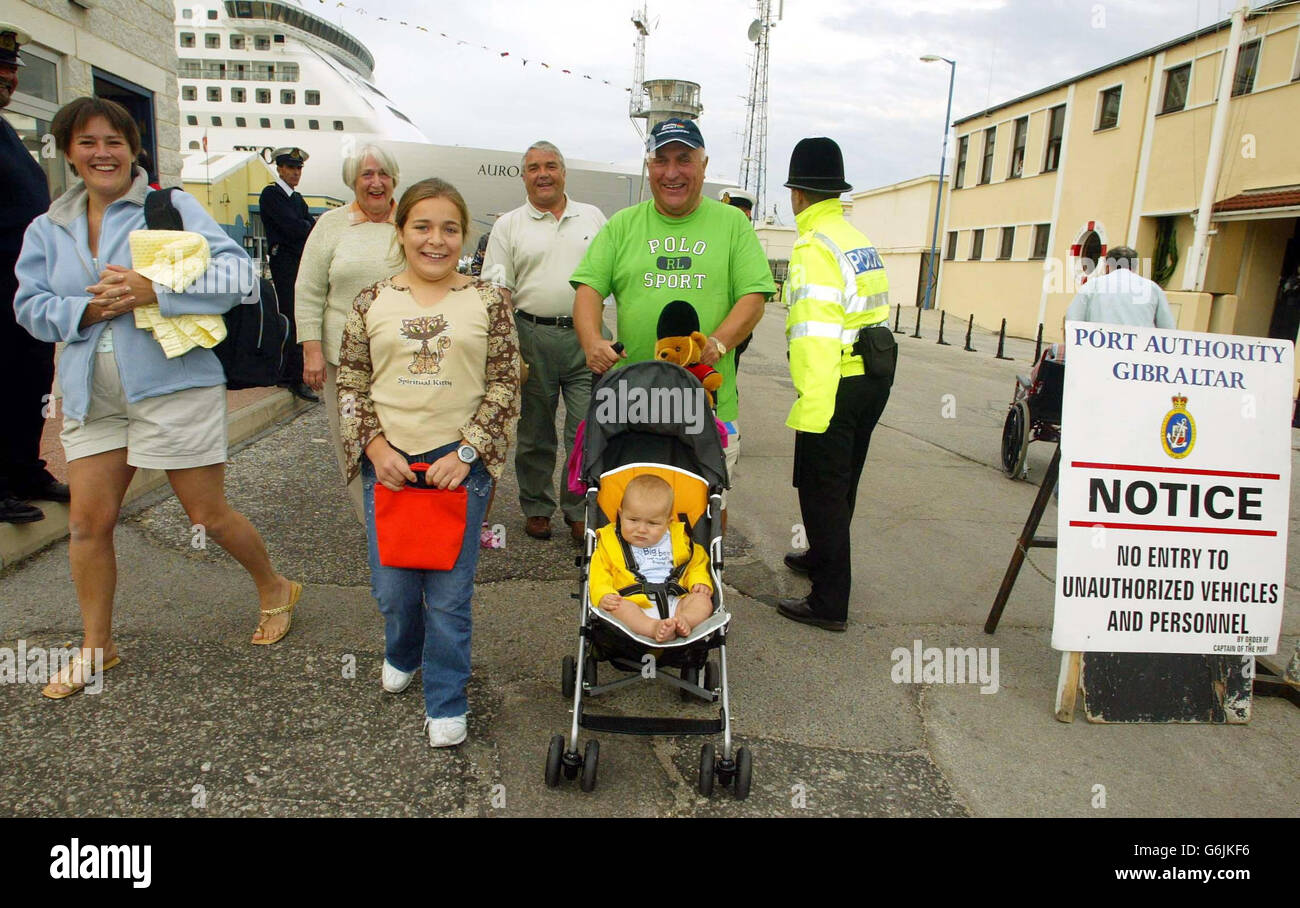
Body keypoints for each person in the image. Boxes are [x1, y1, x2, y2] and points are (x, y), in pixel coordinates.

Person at [14, 97, 303, 697]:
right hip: (93, 395)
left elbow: (238, 277)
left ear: (133, 149)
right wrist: (87, 308)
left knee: (206, 514)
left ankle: (275, 586)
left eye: (114, 141)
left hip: (175, 385)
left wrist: (155, 290)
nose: (103, 153)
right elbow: (29, 307)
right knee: (89, 525)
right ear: (68, 152)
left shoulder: (166, 208)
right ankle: (98, 646)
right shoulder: (47, 228)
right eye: (88, 142)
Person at [336, 177, 520, 748]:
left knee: (448, 595)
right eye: (423, 226)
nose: (435, 240)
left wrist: (468, 450)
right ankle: (402, 649)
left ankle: (445, 698)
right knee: (392, 589)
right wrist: (372, 446)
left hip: (457, 467)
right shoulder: (371, 300)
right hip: (388, 463)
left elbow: (506, 381)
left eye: (449, 228)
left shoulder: (489, 300)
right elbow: (350, 380)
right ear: (401, 231)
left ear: (464, 236)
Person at [571, 118, 776, 520]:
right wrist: (592, 341)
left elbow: (753, 296)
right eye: (661, 160)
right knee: (630, 515)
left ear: (703, 164)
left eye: (684, 159)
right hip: (631, 404)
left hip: (710, 404)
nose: (672, 172)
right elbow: (588, 290)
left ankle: (704, 582)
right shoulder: (623, 225)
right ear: (649, 168)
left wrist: (715, 344)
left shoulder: (732, 224)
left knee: (704, 512)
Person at [778, 137, 895, 633]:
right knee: (843, 480)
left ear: (798, 194)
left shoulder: (812, 246)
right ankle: (821, 557)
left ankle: (830, 601)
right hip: (874, 372)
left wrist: (814, 401)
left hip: (838, 378)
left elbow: (815, 334)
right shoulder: (853, 237)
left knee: (822, 488)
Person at [483, 140, 607, 542]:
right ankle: (536, 507)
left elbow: (613, 276)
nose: (543, 174)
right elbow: (499, 289)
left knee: (585, 430)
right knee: (535, 433)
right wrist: (505, 349)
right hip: (531, 337)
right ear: (524, 176)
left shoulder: (592, 218)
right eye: (534, 167)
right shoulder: (509, 225)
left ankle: (578, 509)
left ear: (564, 172)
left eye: (550, 165)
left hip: (586, 338)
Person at [295, 143, 401, 523]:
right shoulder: (331, 225)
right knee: (352, 440)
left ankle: (403, 511)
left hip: (401, 360)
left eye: (383, 174)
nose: (376, 183)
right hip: (343, 362)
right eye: (366, 175)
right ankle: (371, 519)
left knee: (399, 439)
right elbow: (308, 289)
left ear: (394, 180)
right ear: (352, 182)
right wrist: (312, 350)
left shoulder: (409, 223)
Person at [0, 22, 65, 524]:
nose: (8, 79)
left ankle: (25, 468)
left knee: (31, 379)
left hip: (22, 288)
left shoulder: (7, 132)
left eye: (11, 71)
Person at [589, 475, 713, 643]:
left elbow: (696, 561)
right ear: (620, 514)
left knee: (702, 601)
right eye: (633, 520)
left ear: (668, 522)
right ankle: (653, 628)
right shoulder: (609, 541)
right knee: (618, 608)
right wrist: (604, 594)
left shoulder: (678, 538)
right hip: (634, 602)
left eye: (653, 524)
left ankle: (684, 621)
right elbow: (598, 571)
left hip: (677, 601)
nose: (641, 529)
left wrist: (699, 581)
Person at [259, 146, 317, 401]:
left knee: (301, 315)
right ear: (279, 168)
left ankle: (291, 372)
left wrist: (303, 227)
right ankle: (291, 376)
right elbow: (295, 228)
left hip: (299, 262)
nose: (295, 173)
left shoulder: (296, 199)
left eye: (298, 168)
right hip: (285, 264)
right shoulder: (272, 195)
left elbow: (309, 228)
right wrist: (303, 227)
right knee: (292, 317)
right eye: (290, 168)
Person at [1064, 245, 1175, 330]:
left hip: (1098, 350)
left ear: (1107, 266)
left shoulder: (1092, 286)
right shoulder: (1152, 288)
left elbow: (1073, 320)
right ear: (1135, 266)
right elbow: (1167, 328)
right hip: (1138, 354)